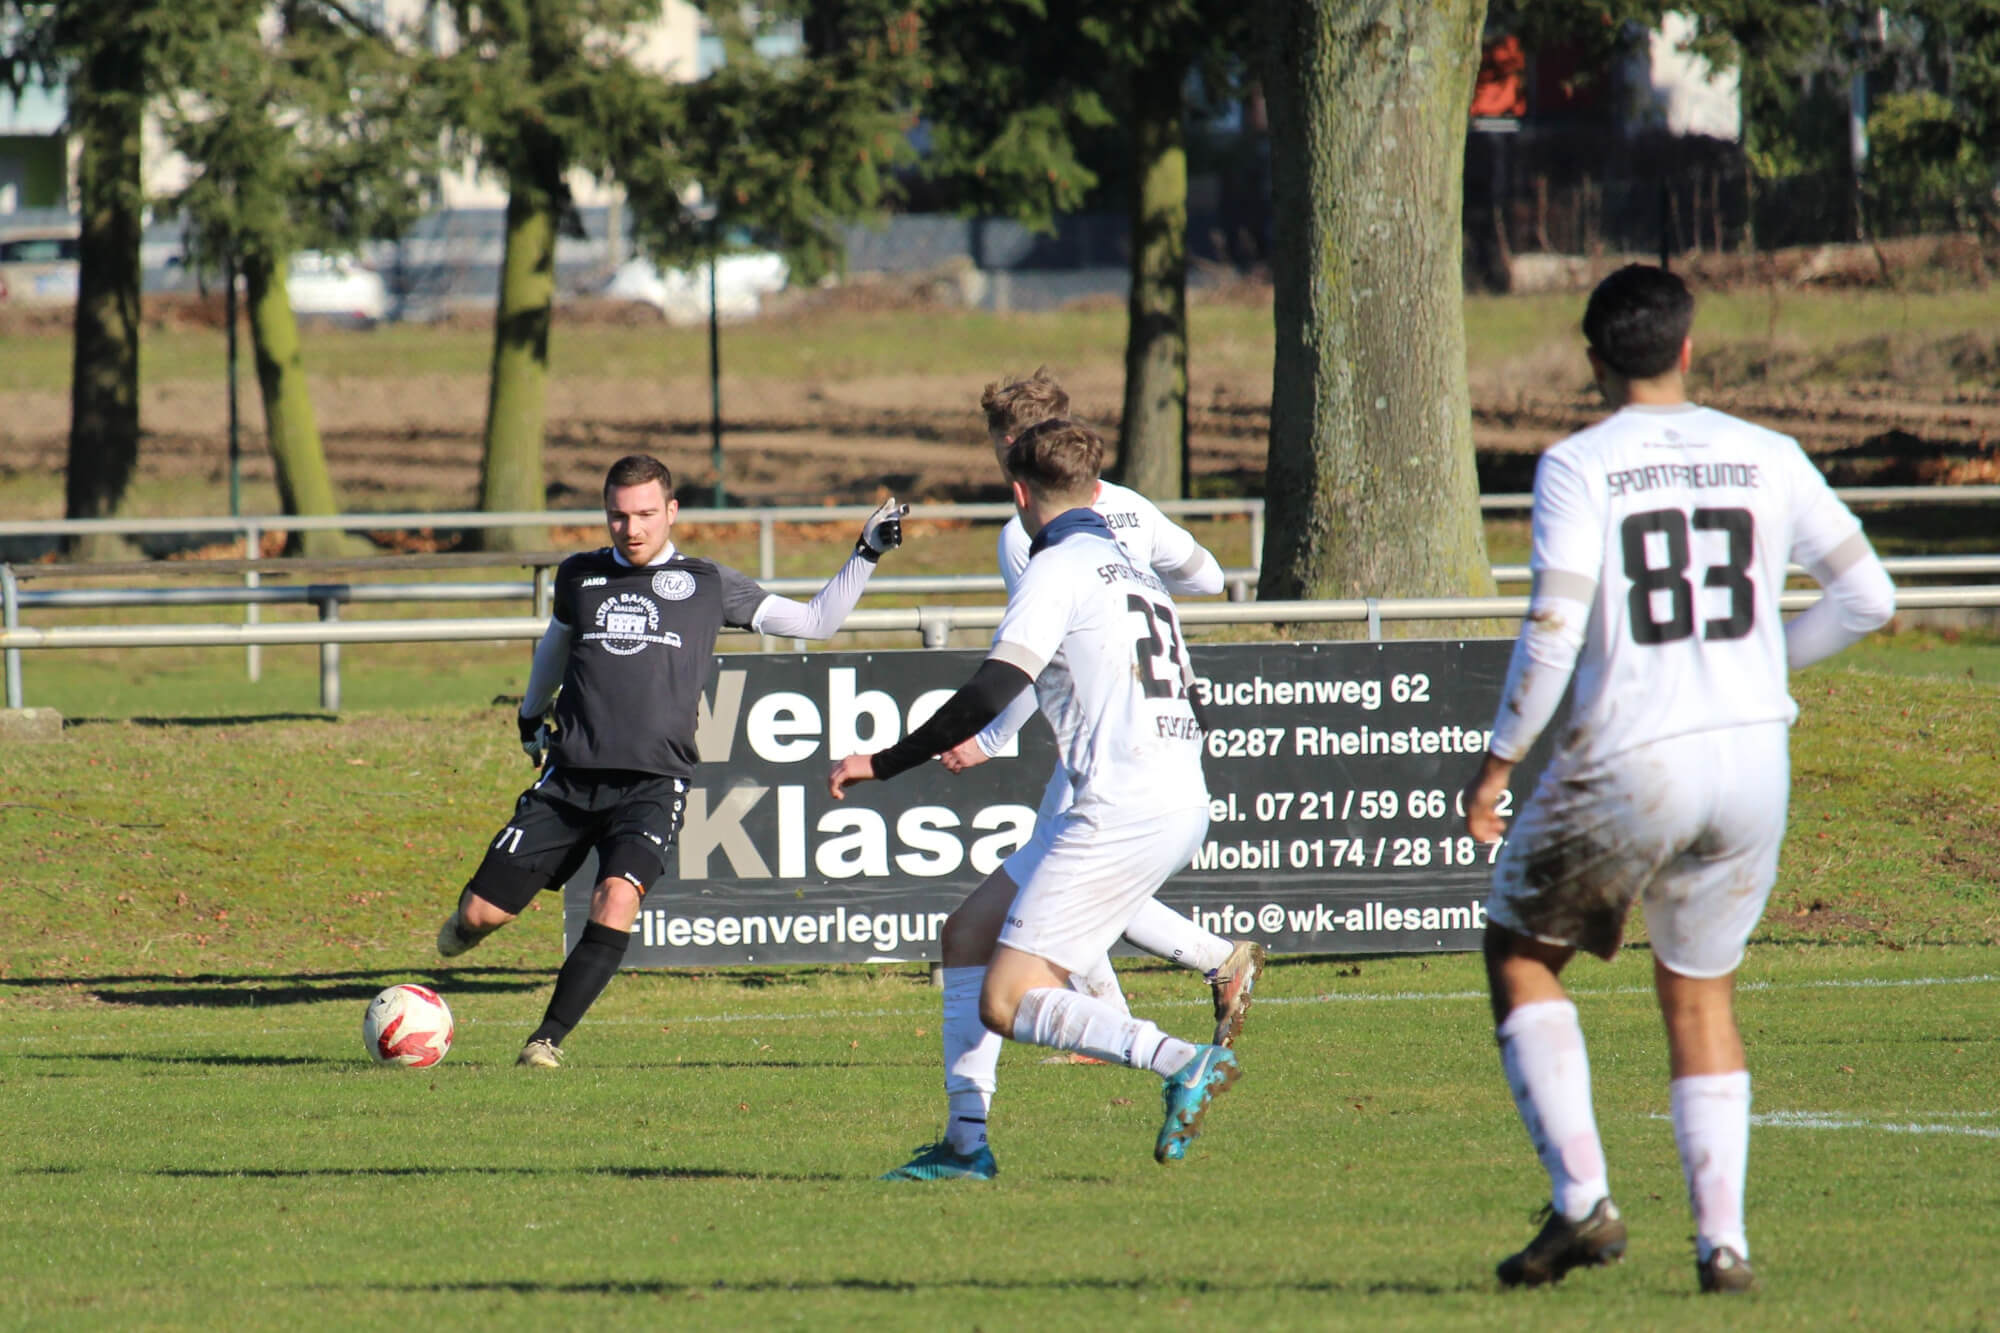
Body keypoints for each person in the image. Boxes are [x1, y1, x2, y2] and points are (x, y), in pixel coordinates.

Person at [1457, 265, 1895, 1294]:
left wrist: (1495, 766)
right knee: (1699, 991)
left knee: (1518, 954)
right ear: (1687, 349)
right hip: (1750, 756)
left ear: (1592, 358)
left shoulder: (1577, 463)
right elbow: (1867, 597)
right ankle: (1722, 1244)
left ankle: (1579, 1203)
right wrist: (1754, 668)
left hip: (1633, 753)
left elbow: (1555, 624)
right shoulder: (1768, 454)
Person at [831, 417, 1240, 1173]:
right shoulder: (1136, 570)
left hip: (1122, 806)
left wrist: (882, 763)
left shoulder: (1056, 568)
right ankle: (964, 1142)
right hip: (1169, 793)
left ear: (1021, 494)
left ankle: (1180, 1058)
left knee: (1006, 998)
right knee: (966, 936)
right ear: (1095, 488)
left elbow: (992, 688)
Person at [436, 454, 909, 1068]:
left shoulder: (708, 582)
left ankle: (545, 1040)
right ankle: (468, 926)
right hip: (570, 779)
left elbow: (817, 622)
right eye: (618, 515)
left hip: (653, 785)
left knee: (617, 897)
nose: (631, 528)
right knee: (479, 915)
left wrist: (864, 553)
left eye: (645, 514)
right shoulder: (578, 576)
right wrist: (531, 715)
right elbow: (555, 645)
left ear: (672, 512)